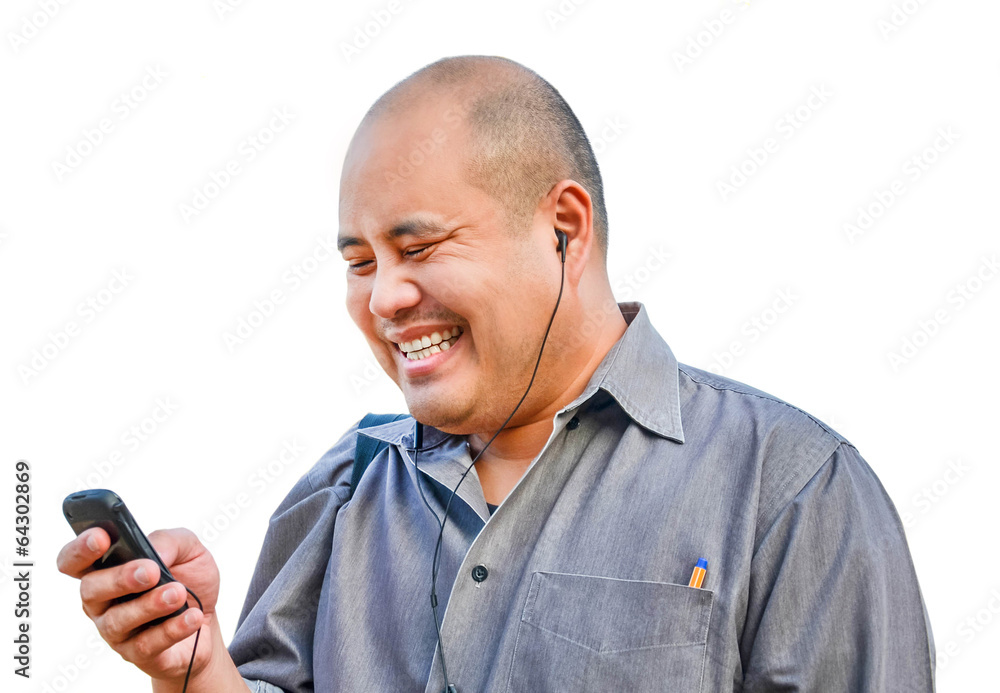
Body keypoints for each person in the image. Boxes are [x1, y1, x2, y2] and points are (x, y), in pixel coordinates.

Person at [57, 55, 936, 692]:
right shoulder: (344, 490)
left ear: (563, 229)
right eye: (360, 262)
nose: (383, 296)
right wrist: (195, 666)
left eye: (418, 246)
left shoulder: (792, 492)